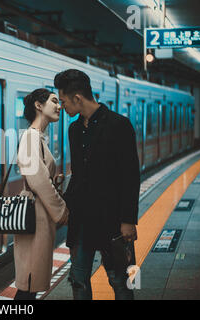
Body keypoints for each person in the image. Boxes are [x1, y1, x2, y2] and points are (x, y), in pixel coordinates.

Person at [54, 69, 140, 300]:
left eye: (63, 101)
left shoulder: (119, 125)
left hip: (112, 219)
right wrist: (65, 206)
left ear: (77, 98)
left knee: (120, 280)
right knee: (78, 279)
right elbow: (79, 174)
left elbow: (130, 176)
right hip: (81, 219)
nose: (62, 106)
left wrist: (128, 220)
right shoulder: (74, 130)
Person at [14, 88, 69, 300]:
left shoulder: (37, 138)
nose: (59, 106)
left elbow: (38, 175)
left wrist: (54, 180)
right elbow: (37, 180)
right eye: (54, 101)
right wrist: (62, 211)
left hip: (39, 214)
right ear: (39, 105)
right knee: (29, 282)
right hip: (35, 216)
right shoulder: (30, 137)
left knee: (31, 284)